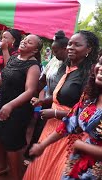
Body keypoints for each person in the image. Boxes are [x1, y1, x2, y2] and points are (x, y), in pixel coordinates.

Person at [23, 30, 99, 180]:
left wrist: (56, 113)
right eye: (70, 44)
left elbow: (85, 113)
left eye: (77, 45)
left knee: (55, 170)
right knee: (40, 165)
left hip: (69, 132)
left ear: (88, 49)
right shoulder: (67, 68)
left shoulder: (88, 76)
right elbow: (61, 95)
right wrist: (43, 101)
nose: (71, 47)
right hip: (52, 127)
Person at [0, 34, 42, 179]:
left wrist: (10, 106)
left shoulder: (33, 66)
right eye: (24, 40)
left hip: (18, 109)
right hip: (4, 104)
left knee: (12, 144)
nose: (24, 42)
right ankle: (2, 166)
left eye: (29, 42)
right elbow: (3, 73)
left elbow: (30, 91)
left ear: (35, 50)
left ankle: (15, 176)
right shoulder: (13, 58)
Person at [24, 30, 69, 163]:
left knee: (48, 131)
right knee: (39, 128)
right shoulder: (54, 60)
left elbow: (60, 91)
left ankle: (39, 159)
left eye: (56, 51)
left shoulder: (69, 66)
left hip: (56, 103)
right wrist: (34, 94)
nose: (54, 54)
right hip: (46, 100)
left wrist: (42, 99)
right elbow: (43, 79)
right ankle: (30, 155)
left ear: (65, 49)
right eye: (53, 51)